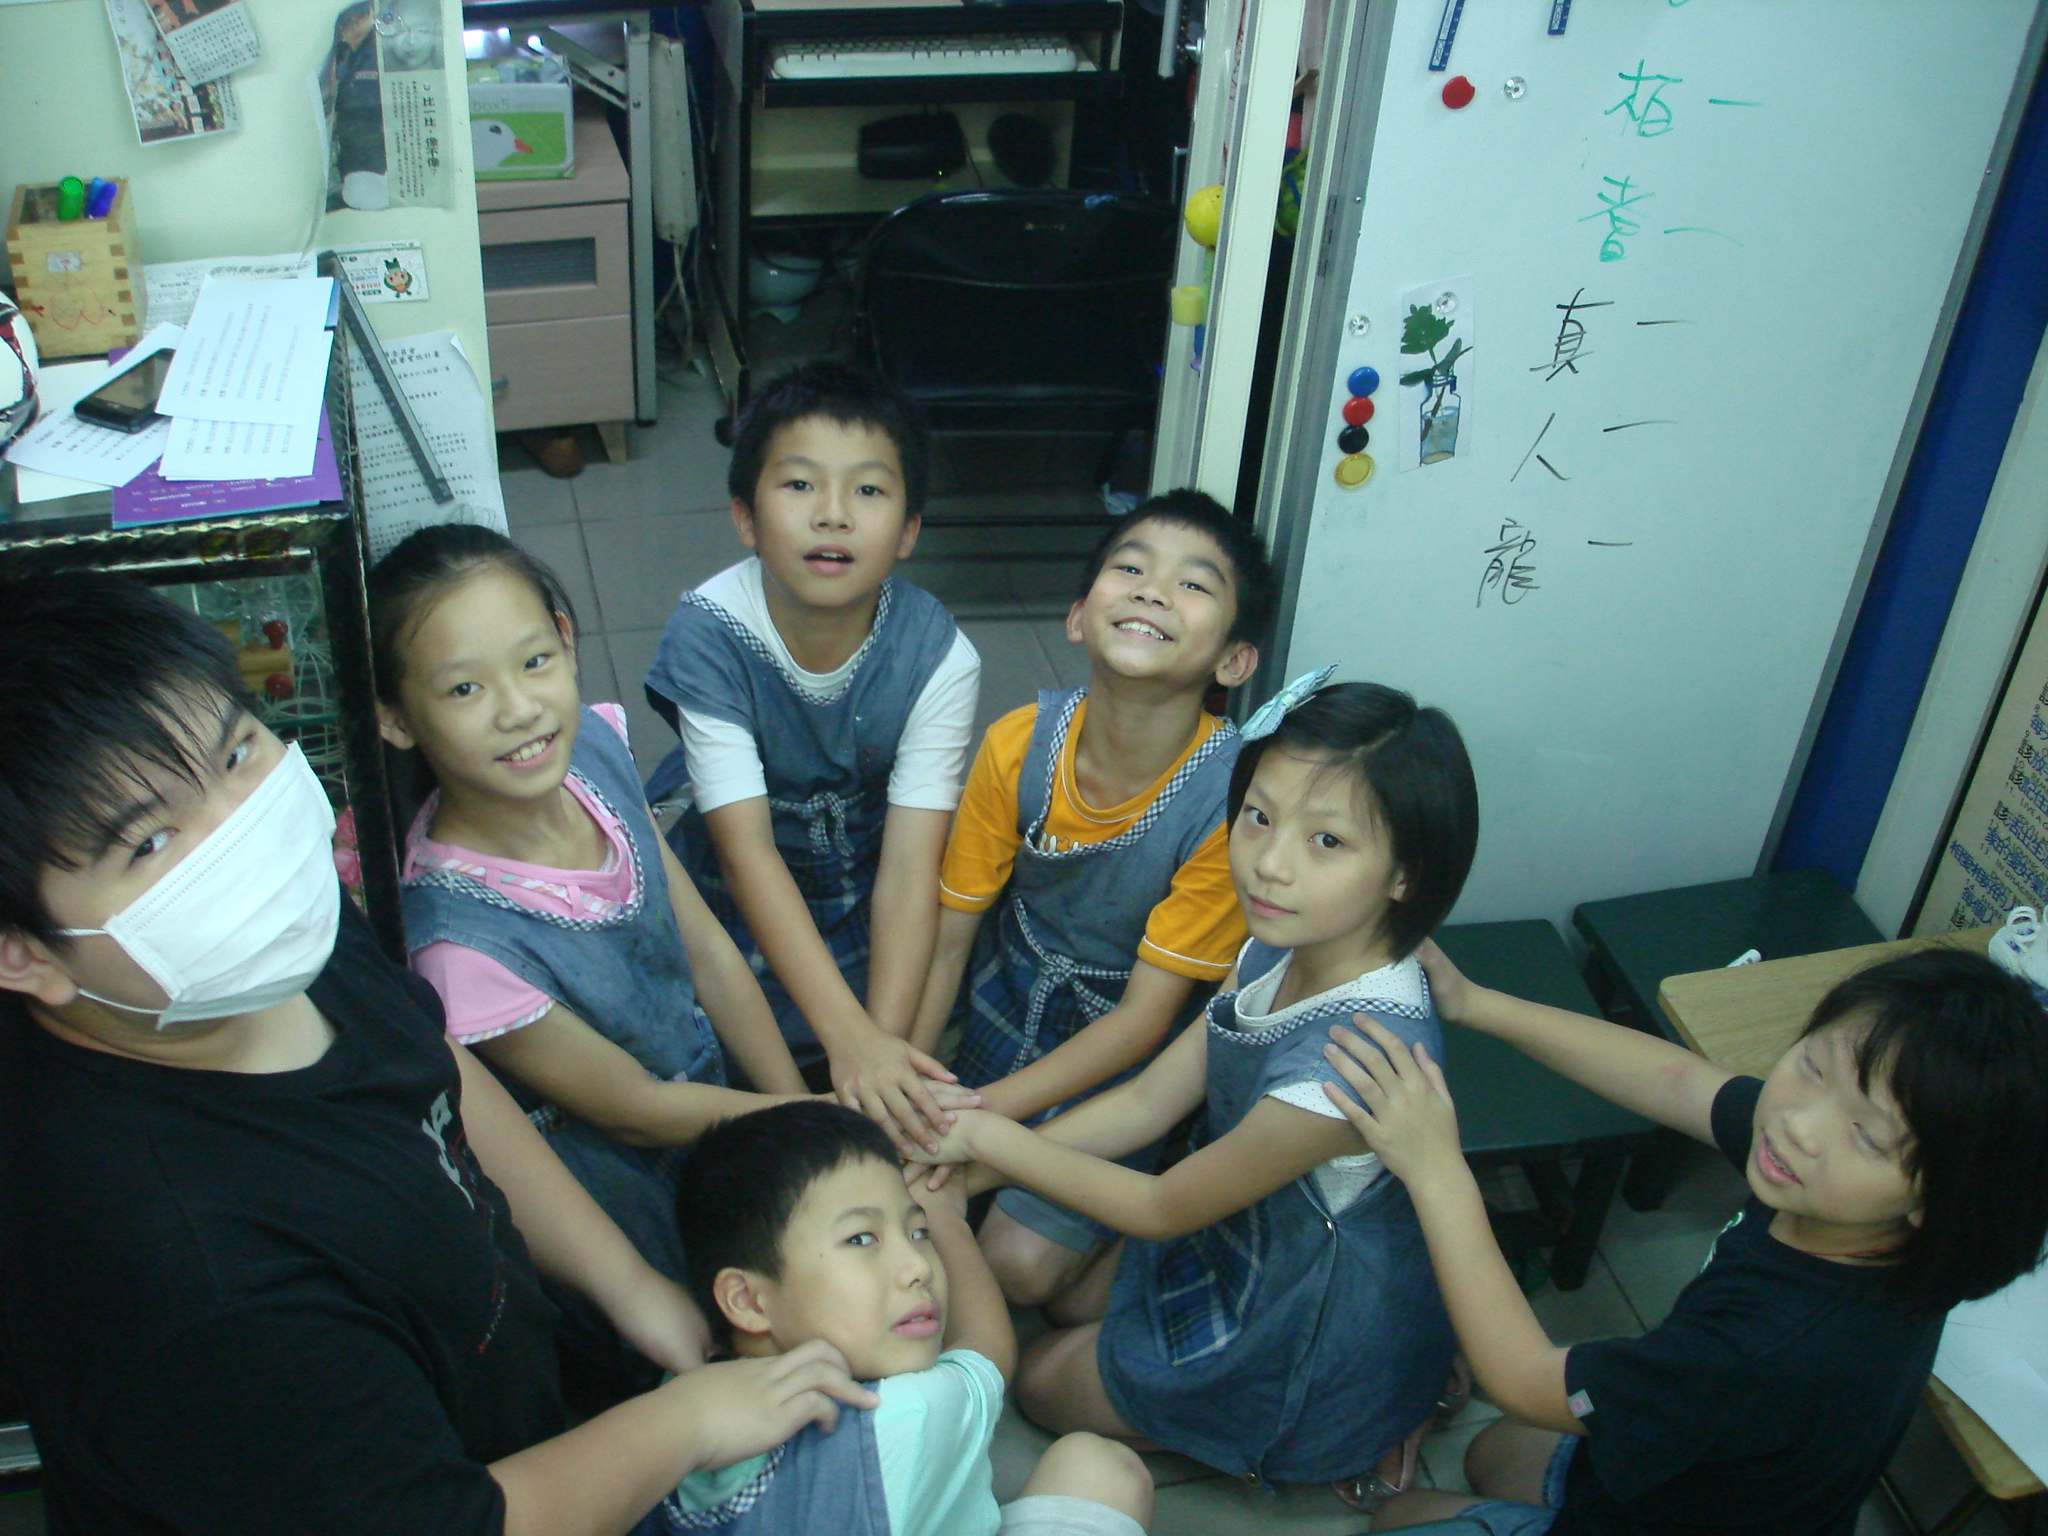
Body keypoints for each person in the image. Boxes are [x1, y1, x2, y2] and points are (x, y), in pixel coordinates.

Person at [0, 570, 877, 1536]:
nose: (240, 834)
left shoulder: (253, 951)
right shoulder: (192, 1286)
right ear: (20, 950)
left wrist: (628, 1287)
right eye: (151, 841)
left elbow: (431, 1064)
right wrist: (687, 1422)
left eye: (236, 753)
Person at [909, 680, 1475, 1491]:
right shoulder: (1284, 941)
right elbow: (1149, 1101)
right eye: (1259, 817)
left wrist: (988, 1142)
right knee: (1067, 1304)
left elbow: (1159, 1207)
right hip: (1242, 1235)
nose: (1270, 864)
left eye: (1327, 841)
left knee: (1037, 1383)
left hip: (1296, 1313)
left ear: (1405, 875)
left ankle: (1301, 1436)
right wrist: (977, 1167)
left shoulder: (1352, 1062)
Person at [1325, 943, 2048, 1536]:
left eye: (1867, 1136)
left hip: (1680, 1512)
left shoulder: (1760, 1350)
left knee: (1396, 1516)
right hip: (1726, 1479)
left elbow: (1524, 1378)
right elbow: (1678, 1081)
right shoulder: (1856, 1203)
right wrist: (1476, 1003)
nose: (1799, 1123)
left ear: (1938, 1198)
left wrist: (1435, 1167)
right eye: (1811, 1065)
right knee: (1491, 1454)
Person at [369, 524, 821, 1381]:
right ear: (394, 717)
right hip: (628, 1195)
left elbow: (710, 954)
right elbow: (635, 1109)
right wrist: (800, 1125)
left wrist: (798, 1116)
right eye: (465, 688)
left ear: (567, 640)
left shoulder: (592, 753)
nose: (518, 709)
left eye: (534, 661)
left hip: (722, 1116)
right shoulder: (458, 945)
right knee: (711, 1356)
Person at [908, 490, 1268, 1312]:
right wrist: (914, 1085)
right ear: (1077, 618)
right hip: (1004, 997)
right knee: (906, 1176)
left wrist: (975, 1122)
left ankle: (1166, 1191)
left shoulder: (1229, 805)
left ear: (1233, 661)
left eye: (1193, 584)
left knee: (1018, 1268)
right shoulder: (1019, 742)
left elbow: (1142, 1024)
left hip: (1120, 1051)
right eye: (1130, 568)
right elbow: (951, 937)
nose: (1152, 591)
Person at [643, 361, 977, 1156]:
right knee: (713, 1048)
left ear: (909, 531)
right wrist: (841, 1052)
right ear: (746, 517)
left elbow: (908, 869)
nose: (833, 514)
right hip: (736, 882)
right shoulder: (709, 633)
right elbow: (746, 851)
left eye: (868, 490)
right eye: (799, 485)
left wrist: (875, 1049)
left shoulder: (938, 655)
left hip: (865, 878)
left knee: (897, 1038)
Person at [663, 1100, 1154, 1536]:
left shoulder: (670, 1411)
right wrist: (944, 1215)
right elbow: (987, 1347)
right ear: (748, 1301)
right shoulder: (907, 1414)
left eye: (918, 1233)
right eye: (861, 1239)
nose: (919, 1267)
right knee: (1099, 1466)